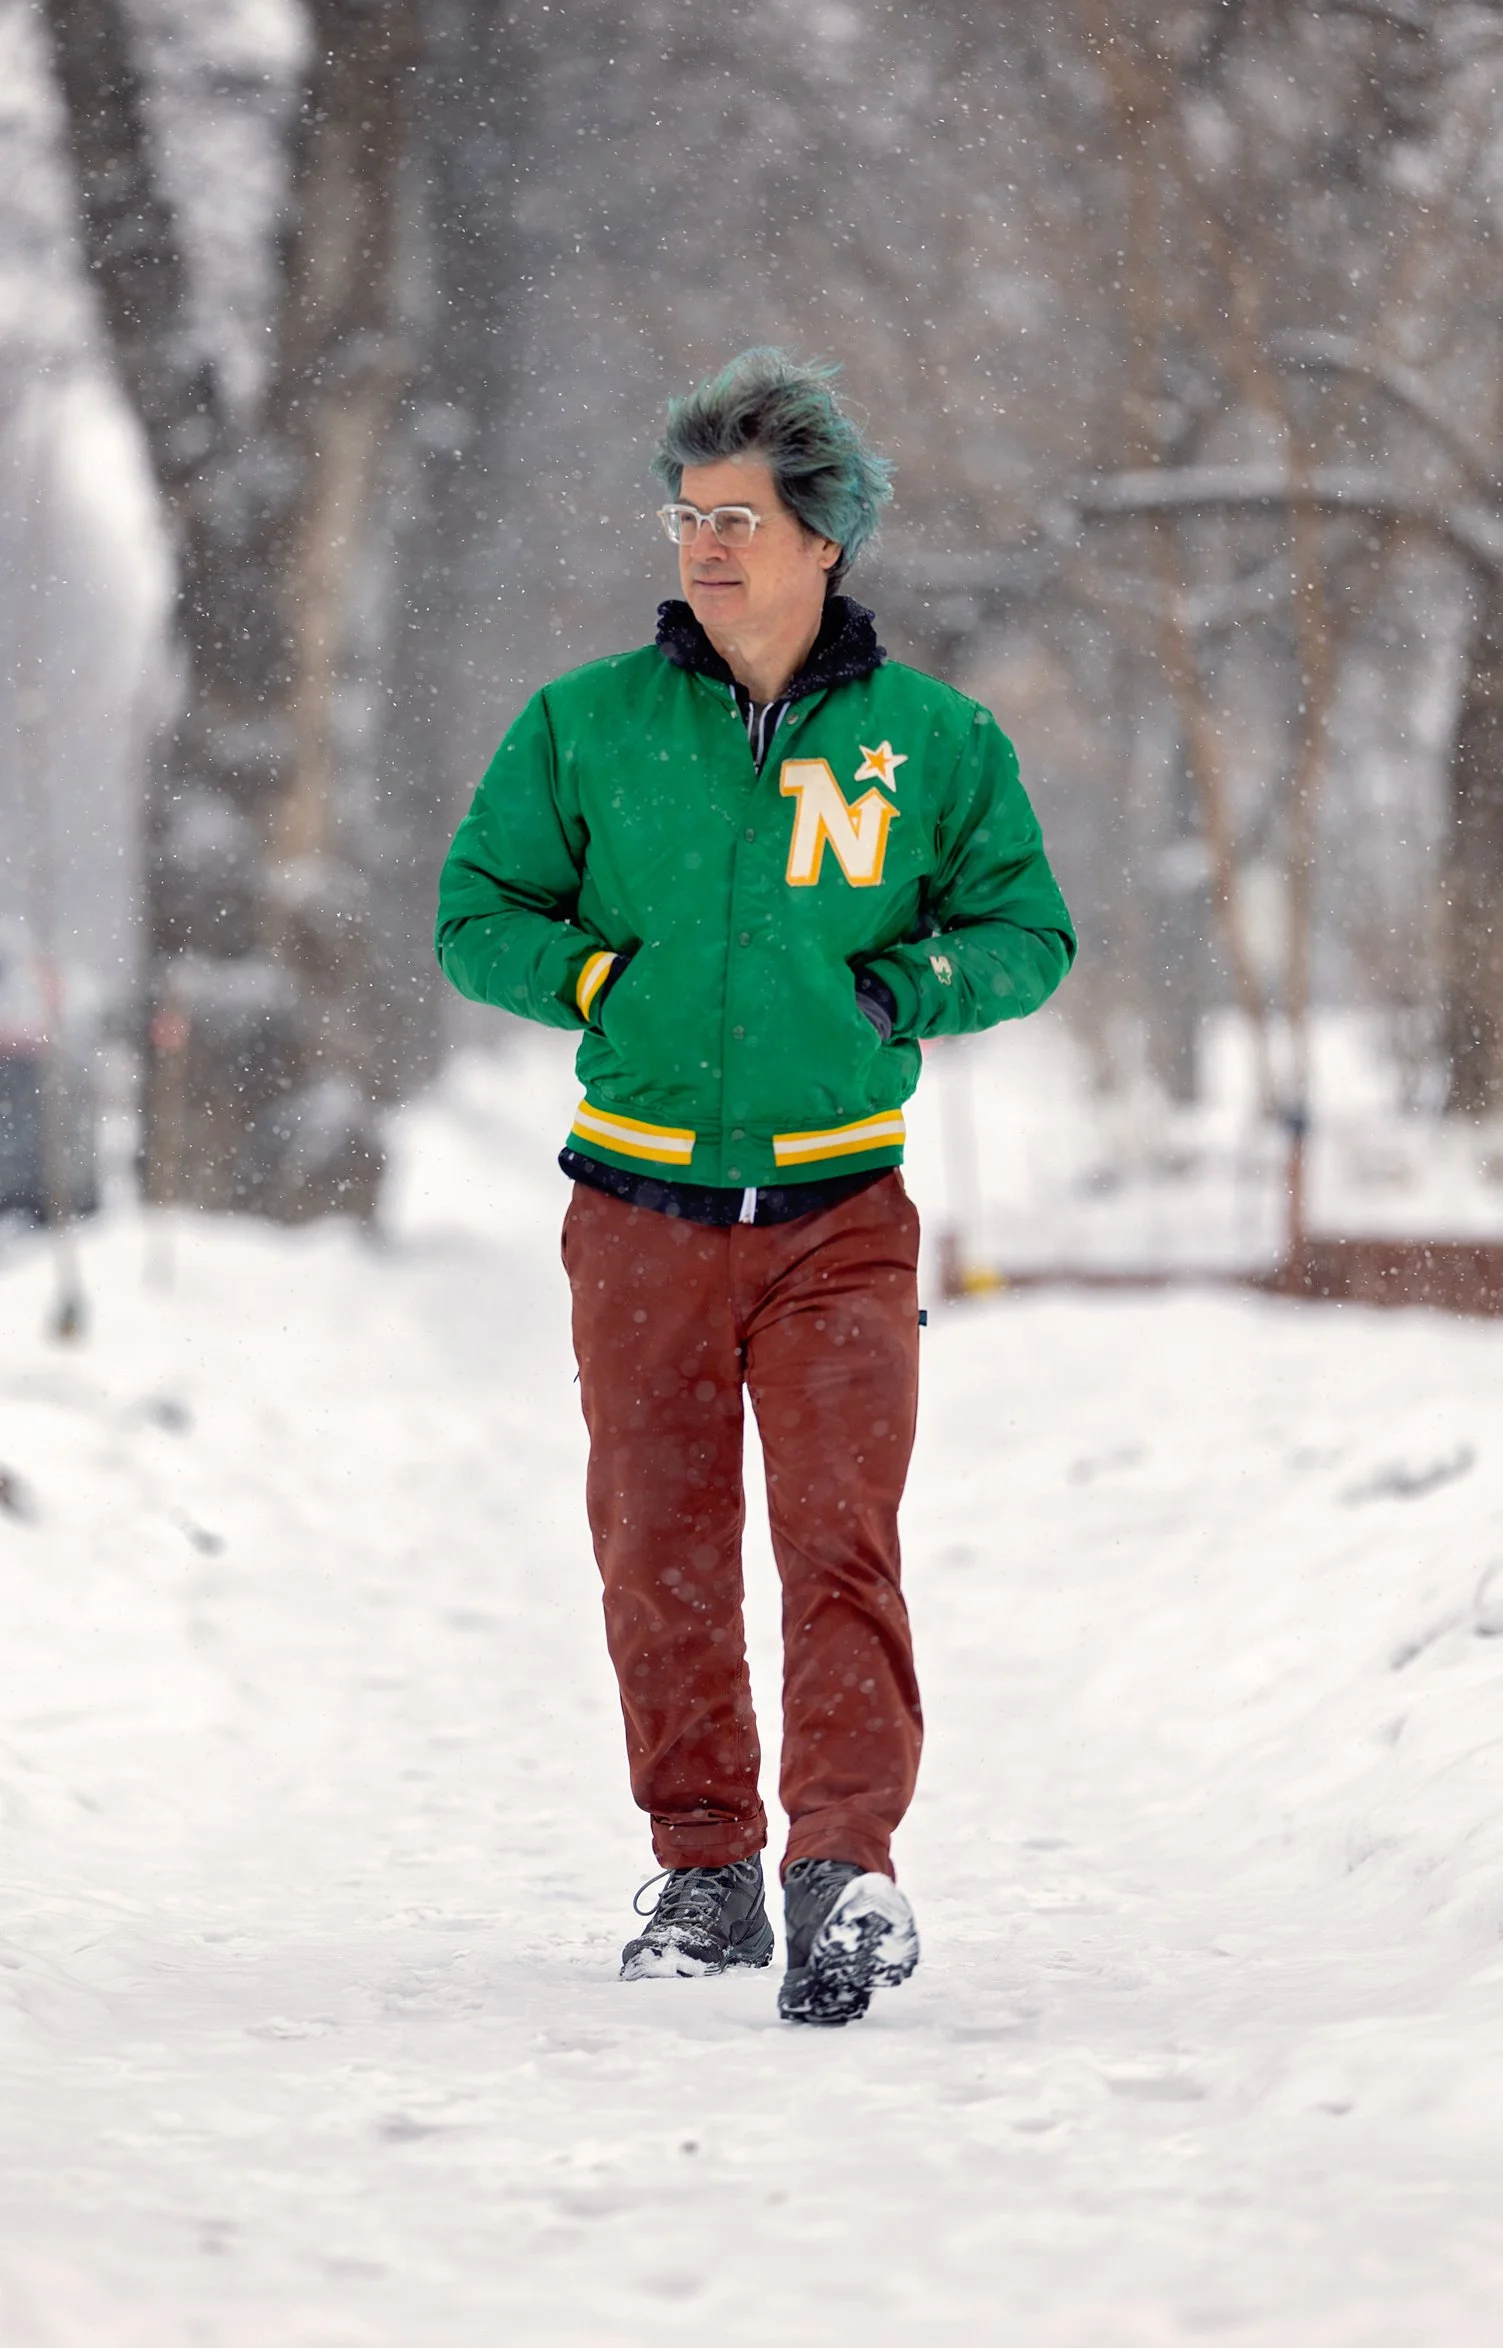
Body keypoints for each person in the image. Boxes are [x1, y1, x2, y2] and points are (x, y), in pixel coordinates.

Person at [435, 350, 1074, 2026]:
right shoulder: (585, 723)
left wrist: (900, 995)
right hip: (636, 1207)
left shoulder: (930, 741)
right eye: (687, 516)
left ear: (824, 541)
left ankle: (844, 1874)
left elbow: (1024, 932)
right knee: (660, 1547)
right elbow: (477, 913)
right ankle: (706, 1866)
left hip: (836, 1217)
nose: (703, 546)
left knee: (836, 1542)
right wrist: (589, 989)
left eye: (738, 520)